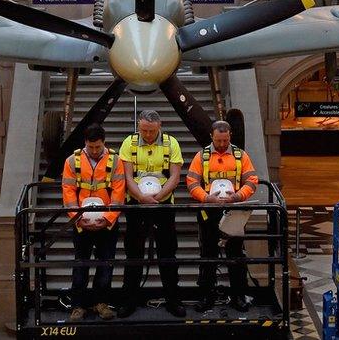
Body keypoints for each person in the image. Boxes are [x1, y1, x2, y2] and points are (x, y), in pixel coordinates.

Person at [117, 110, 186, 318]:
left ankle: (173, 300)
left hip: (163, 206)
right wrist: (141, 197)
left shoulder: (171, 143)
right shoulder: (129, 143)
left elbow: (175, 177)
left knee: (168, 253)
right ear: (139, 126)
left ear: (160, 126)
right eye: (144, 130)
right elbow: (126, 176)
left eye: (151, 131)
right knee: (133, 254)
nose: (147, 135)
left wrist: (157, 198)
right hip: (136, 206)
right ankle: (129, 301)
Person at [185, 120, 258, 313]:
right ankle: (206, 296)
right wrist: (207, 198)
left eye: (225, 140)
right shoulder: (201, 157)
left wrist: (238, 196)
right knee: (208, 256)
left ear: (230, 136)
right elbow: (192, 182)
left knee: (236, 256)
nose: (222, 144)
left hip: (233, 211)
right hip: (209, 211)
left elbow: (251, 180)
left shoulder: (240, 156)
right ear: (212, 137)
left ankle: (239, 296)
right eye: (219, 141)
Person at [61, 124, 125, 321]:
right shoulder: (72, 161)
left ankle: (101, 304)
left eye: (98, 147)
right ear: (85, 143)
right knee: (80, 264)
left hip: (107, 224)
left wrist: (108, 219)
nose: (95, 151)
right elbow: (68, 192)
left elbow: (118, 192)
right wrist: (78, 220)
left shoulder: (115, 161)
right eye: (91, 147)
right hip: (82, 224)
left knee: (106, 264)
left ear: (103, 142)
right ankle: (78, 306)